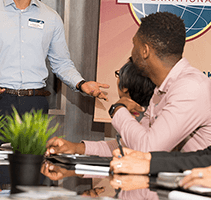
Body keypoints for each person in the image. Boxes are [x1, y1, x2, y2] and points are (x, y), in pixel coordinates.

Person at [47, 12, 211, 157]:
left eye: (134, 44)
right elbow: (133, 144)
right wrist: (77, 148)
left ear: (145, 51)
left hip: (194, 190)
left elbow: (146, 149)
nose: (132, 52)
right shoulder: (163, 89)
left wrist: (118, 109)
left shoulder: (190, 88)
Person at [46, 57, 155, 156]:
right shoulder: (149, 111)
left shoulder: (150, 116)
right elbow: (121, 146)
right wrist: (76, 148)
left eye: (118, 74)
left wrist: (117, 108)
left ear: (125, 86)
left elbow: (141, 147)